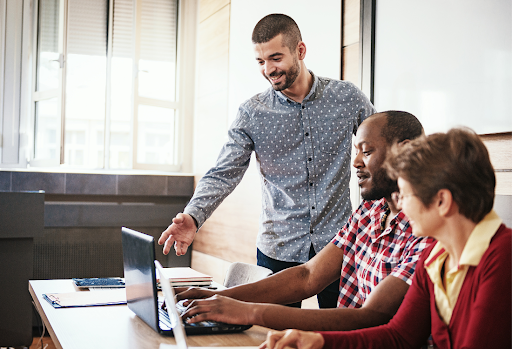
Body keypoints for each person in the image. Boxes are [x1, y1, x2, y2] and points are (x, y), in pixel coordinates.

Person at [158, 13, 375, 308]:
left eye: (275, 58)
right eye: (261, 62)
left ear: (300, 51)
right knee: (272, 336)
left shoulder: (347, 97)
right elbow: (224, 172)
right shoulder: (252, 112)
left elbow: (381, 148)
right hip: (278, 246)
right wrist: (194, 215)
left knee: (341, 334)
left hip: (338, 245)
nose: (269, 69)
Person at [174, 111, 434, 331]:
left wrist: (247, 312)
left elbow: (372, 317)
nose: (355, 162)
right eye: (356, 151)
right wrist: (217, 297)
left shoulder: (428, 226)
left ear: (406, 149)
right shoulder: (370, 211)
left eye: (366, 152)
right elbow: (308, 276)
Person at [261, 128, 511, 348]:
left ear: (442, 201)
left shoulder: (503, 256)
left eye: (405, 195)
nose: (400, 204)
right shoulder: (435, 257)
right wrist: (320, 341)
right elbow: (399, 337)